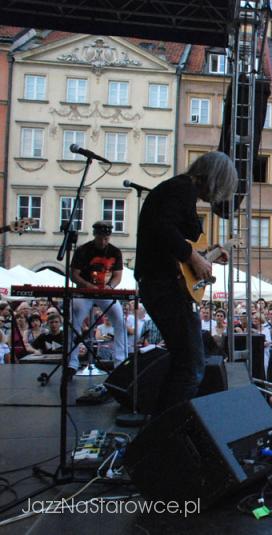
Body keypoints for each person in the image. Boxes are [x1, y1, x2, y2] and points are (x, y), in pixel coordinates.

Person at [134, 151, 237, 413]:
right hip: (163, 285)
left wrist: (208, 253)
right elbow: (162, 228)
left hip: (165, 284)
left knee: (185, 362)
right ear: (214, 179)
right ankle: (167, 432)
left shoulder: (180, 192)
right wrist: (194, 257)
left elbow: (179, 238)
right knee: (191, 367)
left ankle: (161, 427)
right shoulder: (179, 189)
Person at [68, 220, 128, 376]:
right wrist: (87, 285)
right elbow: (74, 274)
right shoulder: (83, 250)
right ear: (95, 235)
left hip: (104, 292)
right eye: (101, 238)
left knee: (120, 320)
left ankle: (120, 362)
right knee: (73, 324)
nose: (103, 241)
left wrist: (110, 287)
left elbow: (117, 276)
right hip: (84, 292)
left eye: (106, 238)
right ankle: (72, 364)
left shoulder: (115, 252)